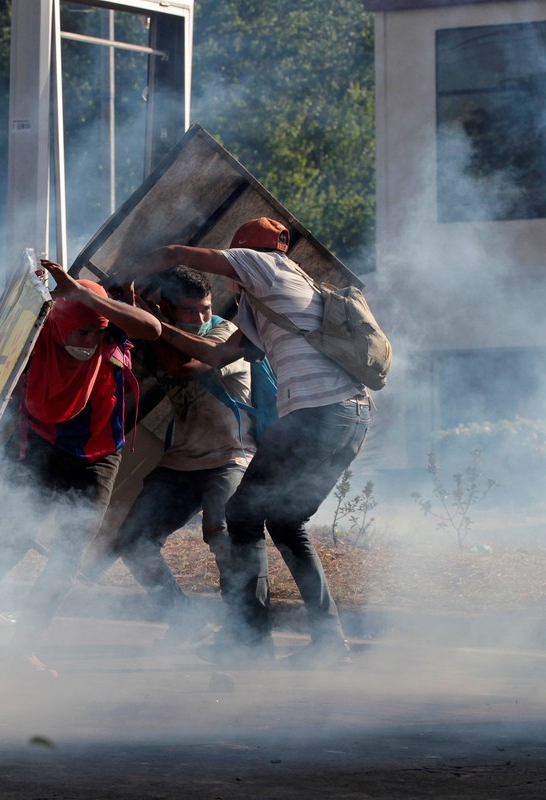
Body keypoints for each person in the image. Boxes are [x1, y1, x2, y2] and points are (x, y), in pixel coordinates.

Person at [130, 217, 371, 670]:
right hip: (351, 417)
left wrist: (131, 275)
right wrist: (159, 328)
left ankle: (248, 640)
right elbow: (216, 356)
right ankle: (328, 643)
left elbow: (175, 255)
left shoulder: (265, 267)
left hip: (316, 414)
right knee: (285, 524)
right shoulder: (279, 299)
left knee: (241, 513)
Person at [0, 258, 162, 676]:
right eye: (82, 330)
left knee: (68, 554)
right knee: (10, 541)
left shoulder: (109, 333)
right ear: (61, 324)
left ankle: (22, 647)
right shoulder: (37, 335)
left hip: (99, 456)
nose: (89, 340)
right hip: (40, 446)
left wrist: (85, 298)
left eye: (97, 332)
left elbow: (150, 329)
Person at [99, 266, 256, 645]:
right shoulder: (161, 337)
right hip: (182, 459)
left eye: (204, 307)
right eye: (189, 311)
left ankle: (241, 630)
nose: (201, 317)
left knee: (225, 536)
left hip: (230, 455)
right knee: (133, 541)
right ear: (169, 310)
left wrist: (151, 321)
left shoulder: (226, 334)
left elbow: (182, 366)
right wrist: (134, 306)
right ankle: (183, 619)